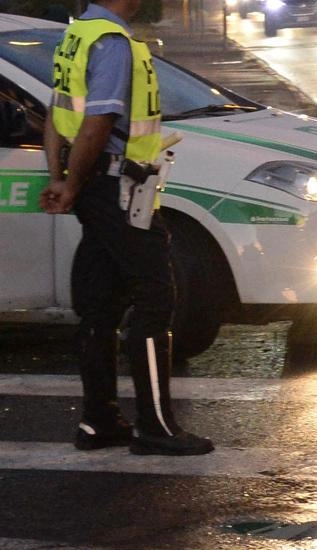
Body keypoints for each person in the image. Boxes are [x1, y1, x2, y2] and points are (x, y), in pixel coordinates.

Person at [39, 0, 214, 456]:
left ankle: (99, 422)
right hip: (116, 184)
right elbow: (96, 123)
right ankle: (156, 427)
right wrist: (73, 184)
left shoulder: (77, 35)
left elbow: (56, 115)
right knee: (156, 298)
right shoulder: (113, 43)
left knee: (100, 304)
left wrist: (60, 178)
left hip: (96, 186)